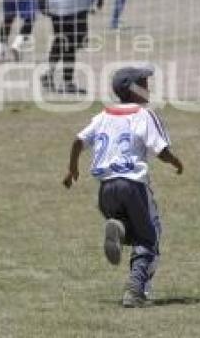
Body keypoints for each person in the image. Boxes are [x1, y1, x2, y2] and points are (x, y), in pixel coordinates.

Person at [63, 67, 184, 308]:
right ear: (134, 89)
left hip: (106, 189)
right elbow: (160, 150)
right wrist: (176, 162)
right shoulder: (144, 114)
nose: (148, 88)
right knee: (150, 237)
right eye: (144, 83)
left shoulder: (103, 115)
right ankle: (135, 290)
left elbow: (78, 141)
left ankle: (119, 228)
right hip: (132, 185)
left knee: (133, 230)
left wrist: (72, 169)